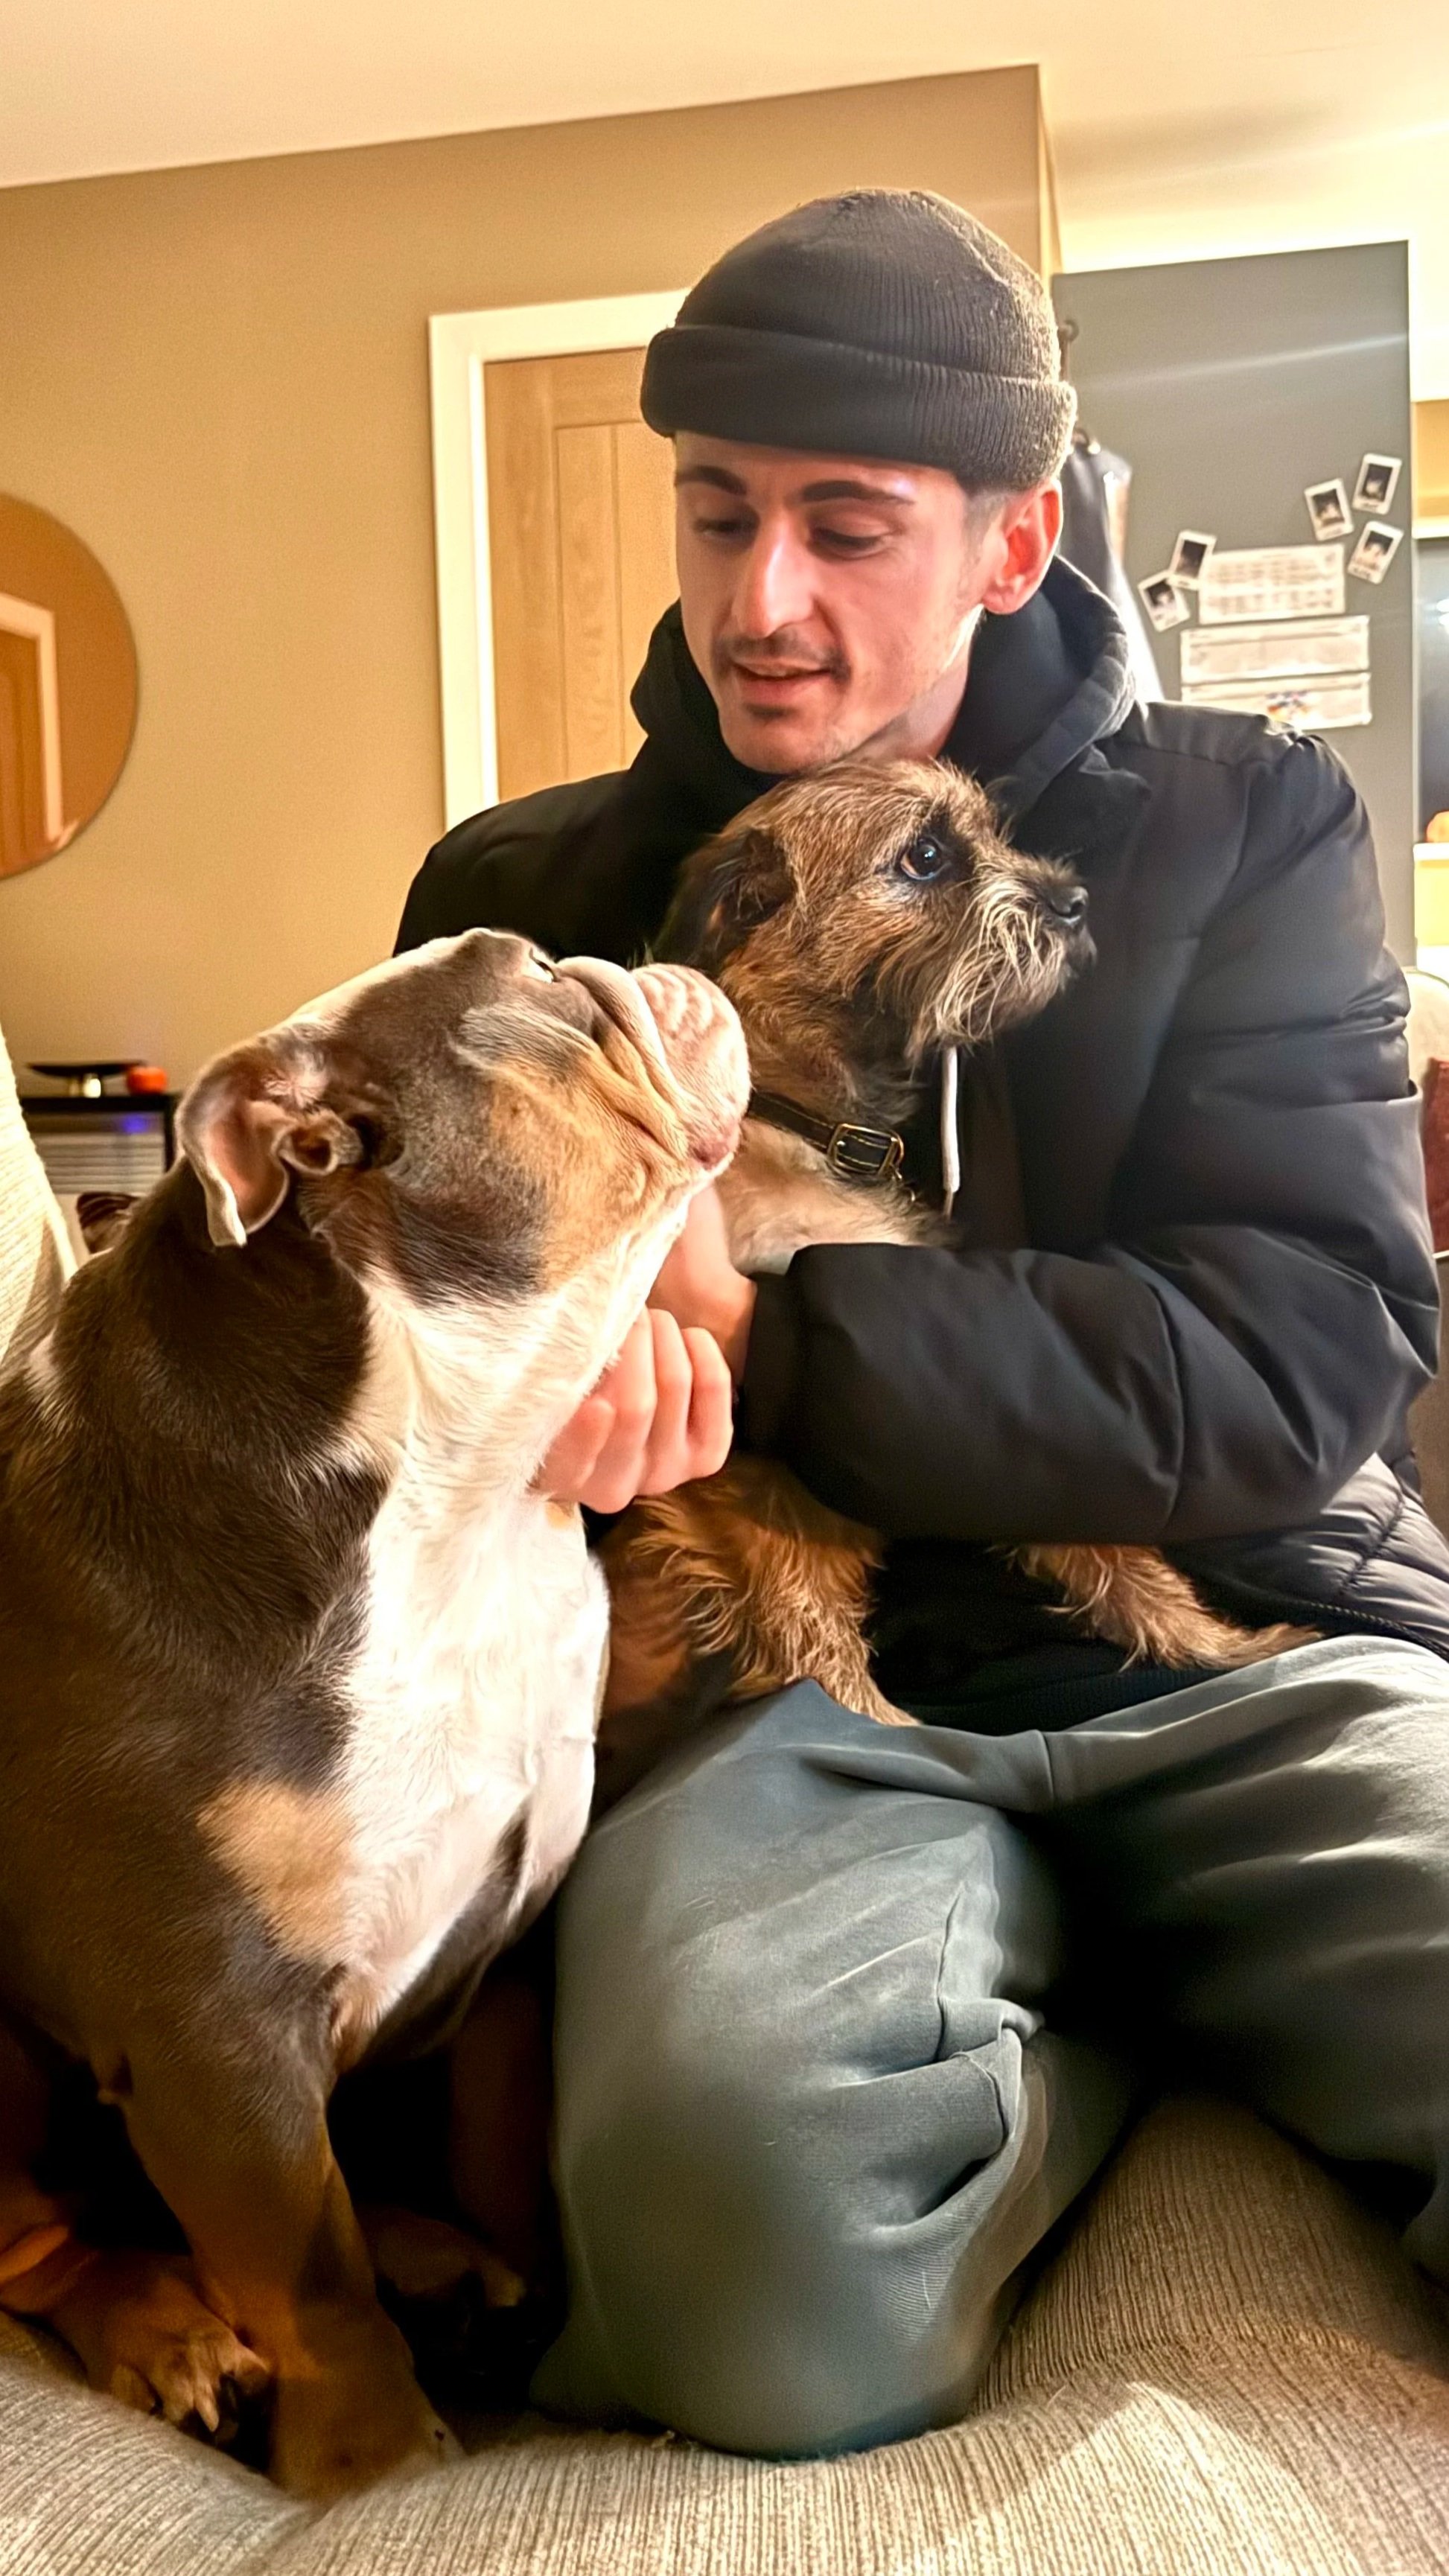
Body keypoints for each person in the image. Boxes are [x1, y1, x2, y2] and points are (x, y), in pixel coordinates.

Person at [396, 190, 1449, 2458]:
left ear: (1006, 539)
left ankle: (1165, 1979)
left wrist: (767, 1346)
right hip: (778, 1702)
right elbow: (410, 1343)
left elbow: (1302, 1348)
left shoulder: (1242, 828)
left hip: (1237, 1640)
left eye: (844, 526)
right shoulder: (515, 901)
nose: (760, 602)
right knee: (742, 2296)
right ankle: (1089, 2044)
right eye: (718, 513)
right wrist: (543, 1372)